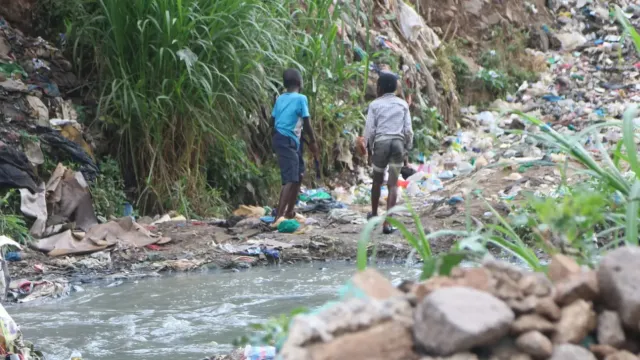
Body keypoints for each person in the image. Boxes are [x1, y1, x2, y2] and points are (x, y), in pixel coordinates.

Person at [363, 72, 413, 234]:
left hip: (381, 144)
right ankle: (387, 223)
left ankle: (374, 214)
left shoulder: (375, 105)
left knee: (377, 181)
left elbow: (370, 130)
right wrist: (407, 149)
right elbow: (408, 131)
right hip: (398, 144)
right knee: (392, 184)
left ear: (380, 88)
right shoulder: (403, 104)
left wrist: (368, 149)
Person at [271, 68, 319, 223]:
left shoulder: (280, 99)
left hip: (285, 139)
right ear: (300, 83)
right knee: (290, 179)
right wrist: (313, 141)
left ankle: (290, 211)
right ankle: (279, 218)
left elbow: (272, 121)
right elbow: (307, 121)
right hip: (287, 140)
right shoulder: (301, 98)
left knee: (298, 174)